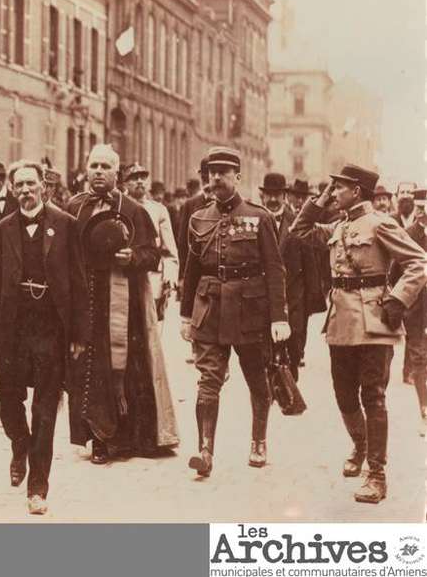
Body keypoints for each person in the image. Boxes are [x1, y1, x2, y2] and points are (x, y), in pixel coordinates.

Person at [291, 165, 427, 503]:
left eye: (339, 188)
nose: (334, 193)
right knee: (344, 395)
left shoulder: (381, 223)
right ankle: (361, 445)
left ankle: (377, 474)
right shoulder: (339, 224)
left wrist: (398, 299)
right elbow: (298, 231)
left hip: (374, 321)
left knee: (373, 396)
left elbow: (418, 262)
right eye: (332, 188)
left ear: (357, 191)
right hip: (341, 323)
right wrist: (319, 201)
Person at [0, 161, 88, 515]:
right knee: (8, 403)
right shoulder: (2, 228)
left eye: (31, 184)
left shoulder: (66, 225)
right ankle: (19, 444)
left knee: (45, 411)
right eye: (18, 185)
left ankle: (37, 487)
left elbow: (80, 283)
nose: (25, 191)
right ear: (11, 190)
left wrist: (79, 334)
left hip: (51, 330)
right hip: (13, 328)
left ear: (44, 187)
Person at [180, 147, 290, 477]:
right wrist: (186, 316)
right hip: (210, 307)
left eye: (223, 172)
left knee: (257, 378)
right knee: (208, 380)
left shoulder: (259, 217)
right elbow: (192, 270)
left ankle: (258, 441)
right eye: (211, 172)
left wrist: (279, 317)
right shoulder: (199, 217)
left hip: (250, 310)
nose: (215, 178)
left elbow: (274, 269)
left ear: (237, 177)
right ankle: (205, 450)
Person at [66, 145, 179, 465]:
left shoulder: (133, 210)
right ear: (86, 170)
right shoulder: (73, 207)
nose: (99, 171)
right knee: (89, 369)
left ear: (117, 174)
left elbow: (153, 254)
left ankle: (127, 436)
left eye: (106, 166)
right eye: (94, 165)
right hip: (85, 298)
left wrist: (133, 257)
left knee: (124, 369)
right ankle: (97, 438)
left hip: (123, 302)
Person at [259, 173, 324, 380]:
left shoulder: (297, 223)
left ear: (284, 196)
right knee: (264, 346)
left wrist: (312, 300)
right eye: (269, 194)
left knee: (295, 346)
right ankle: (270, 387)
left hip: (294, 295)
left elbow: (310, 262)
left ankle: (290, 384)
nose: (273, 199)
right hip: (264, 295)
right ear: (262, 196)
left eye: (277, 194)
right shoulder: (254, 222)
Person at [124, 164, 178, 323]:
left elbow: (169, 251)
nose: (139, 181)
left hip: (152, 278)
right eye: (134, 178)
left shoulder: (158, 210)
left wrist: (170, 277)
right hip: (124, 275)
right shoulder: (119, 206)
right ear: (125, 183)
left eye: (143, 177)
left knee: (150, 329)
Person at [396, 188, 427, 437]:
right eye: (422, 210)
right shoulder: (408, 235)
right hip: (417, 307)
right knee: (419, 355)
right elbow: (396, 273)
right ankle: (424, 406)